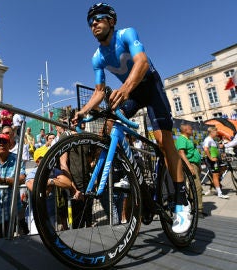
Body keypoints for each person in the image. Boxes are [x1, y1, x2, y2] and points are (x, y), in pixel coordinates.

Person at [73, 3, 191, 233]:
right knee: (109, 125)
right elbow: (99, 92)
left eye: (99, 18)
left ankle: (181, 199)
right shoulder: (97, 57)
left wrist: (126, 89)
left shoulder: (127, 34)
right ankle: (132, 173)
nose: (94, 23)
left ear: (112, 21)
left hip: (149, 86)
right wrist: (84, 110)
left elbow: (142, 62)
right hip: (132, 93)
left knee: (162, 140)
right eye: (90, 22)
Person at [175, 123, 206, 218]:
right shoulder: (181, 139)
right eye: (190, 129)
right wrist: (189, 166)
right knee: (197, 187)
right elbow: (181, 153)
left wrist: (198, 166)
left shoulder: (187, 139)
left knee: (195, 187)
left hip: (194, 164)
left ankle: (196, 208)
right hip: (190, 165)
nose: (192, 130)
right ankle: (198, 210)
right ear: (185, 130)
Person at [203, 127, 229, 199]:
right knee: (215, 175)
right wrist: (211, 158)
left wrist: (220, 154)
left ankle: (215, 187)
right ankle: (219, 193)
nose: (217, 133)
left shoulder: (212, 140)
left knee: (218, 173)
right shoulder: (208, 139)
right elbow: (205, 149)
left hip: (215, 160)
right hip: (211, 160)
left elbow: (214, 150)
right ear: (211, 132)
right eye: (216, 132)